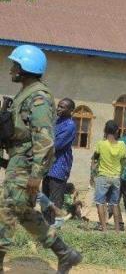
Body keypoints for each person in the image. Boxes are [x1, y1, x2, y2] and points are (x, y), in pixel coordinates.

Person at [0, 45, 82, 273]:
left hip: (26, 163)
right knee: (23, 212)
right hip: (19, 160)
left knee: (6, 207)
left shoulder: (38, 97)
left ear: (26, 68)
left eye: (15, 65)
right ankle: (66, 253)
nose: (11, 70)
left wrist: (36, 175)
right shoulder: (26, 93)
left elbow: (45, 139)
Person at [90, 120, 126, 232]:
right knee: (115, 204)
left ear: (105, 131)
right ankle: (117, 230)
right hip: (116, 177)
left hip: (102, 177)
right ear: (117, 131)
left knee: (100, 203)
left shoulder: (101, 144)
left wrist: (93, 175)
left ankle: (104, 229)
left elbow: (95, 159)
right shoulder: (122, 145)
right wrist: (121, 169)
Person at [42, 97, 76, 225]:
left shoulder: (70, 125)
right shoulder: (56, 122)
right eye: (59, 106)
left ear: (71, 110)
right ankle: (45, 227)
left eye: (63, 107)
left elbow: (57, 145)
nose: (59, 108)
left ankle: (54, 228)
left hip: (59, 166)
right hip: (47, 165)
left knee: (55, 199)